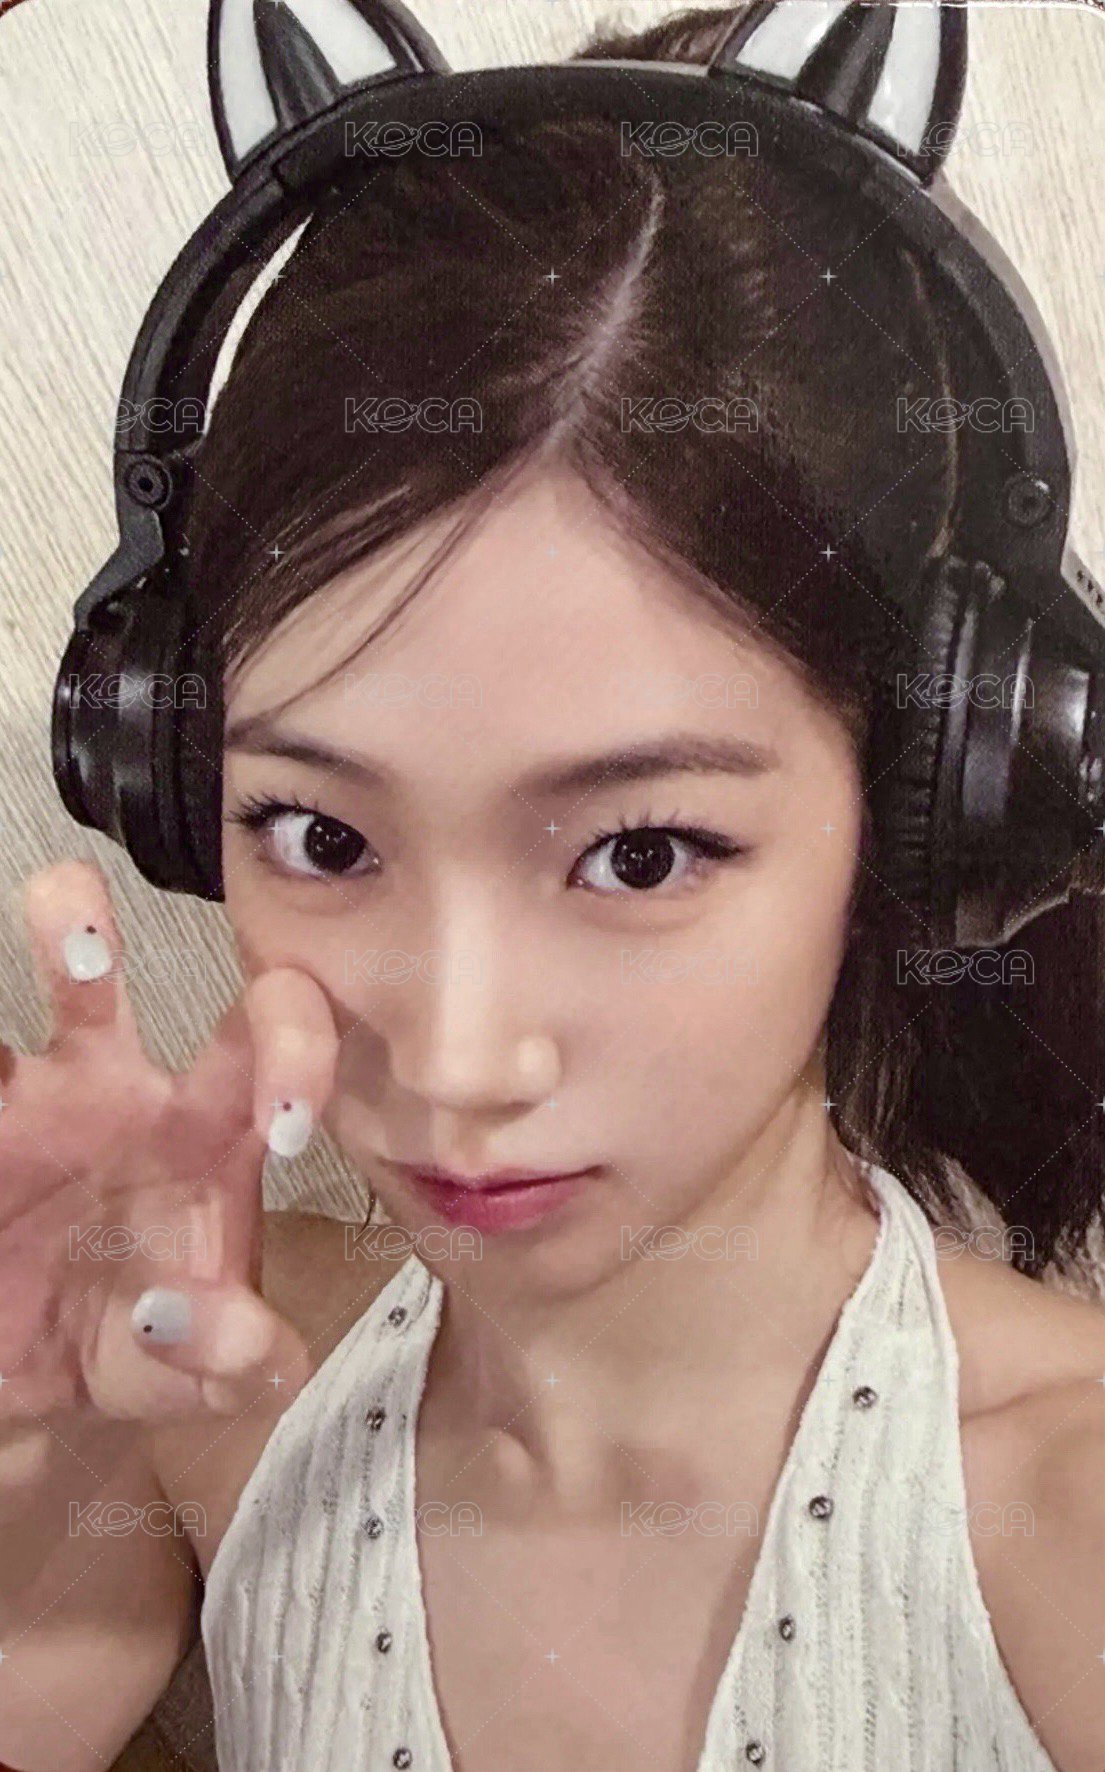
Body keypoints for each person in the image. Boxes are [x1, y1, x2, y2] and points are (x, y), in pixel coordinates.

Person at [2, 5, 1104, 1770]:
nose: (456, 1061)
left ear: (934, 809)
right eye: (324, 838)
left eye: (640, 853)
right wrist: (36, 1437)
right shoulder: (197, 1376)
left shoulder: (1068, 1529)